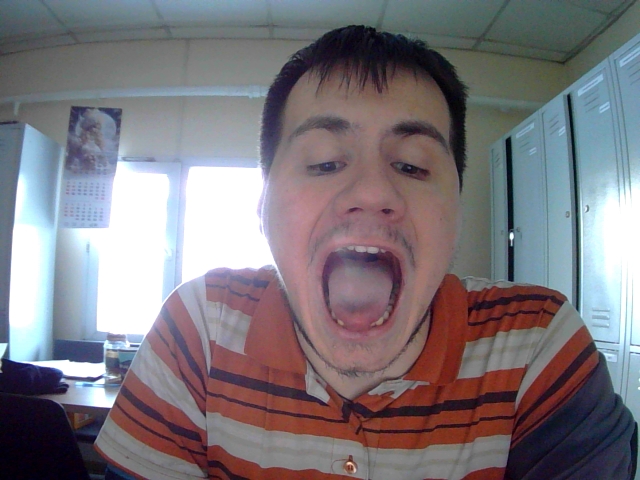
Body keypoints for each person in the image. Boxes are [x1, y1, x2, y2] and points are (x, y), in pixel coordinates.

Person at [96, 25, 636, 479]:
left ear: (456, 210)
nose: (373, 192)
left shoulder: (538, 345)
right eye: (325, 162)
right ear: (262, 206)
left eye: (413, 166)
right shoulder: (197, 332)